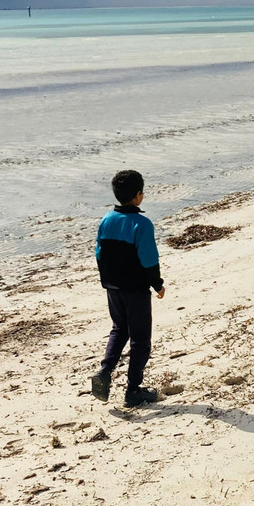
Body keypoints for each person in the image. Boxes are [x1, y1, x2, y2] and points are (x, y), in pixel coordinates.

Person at [91, 170, 166, 407]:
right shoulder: (141, 224)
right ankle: (133, 390)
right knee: (140, 340)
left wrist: (108, 281)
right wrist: (157, 284)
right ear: (138, 195)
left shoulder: (106, 220)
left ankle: (104, 372)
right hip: (136, 290)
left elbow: (99, 254)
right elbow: (149, 259)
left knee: (119, 329)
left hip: (113, 288)